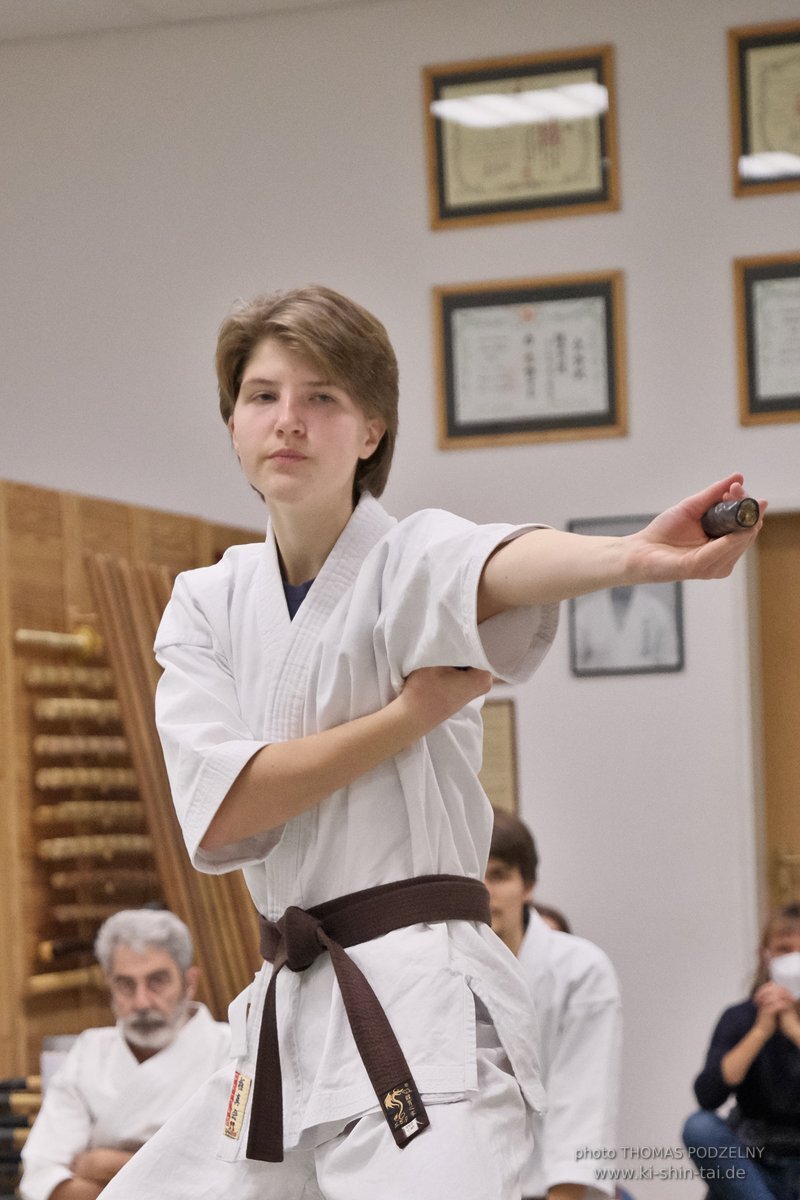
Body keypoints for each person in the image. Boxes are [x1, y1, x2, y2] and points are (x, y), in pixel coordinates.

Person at [100, 284, 763, 1200]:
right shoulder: (205, 603)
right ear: (232, 424)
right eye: (263, 396)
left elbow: (490, 563)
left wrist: (630, 558)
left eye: (321, 397)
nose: (288, 421)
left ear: (371, 430)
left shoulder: (406, 557)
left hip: (420, 1006)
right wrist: (405, 718)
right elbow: (228, 808)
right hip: (287, 1011)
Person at [19, 908, 231, 1200]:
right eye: (126, 984)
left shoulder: (231, 1051)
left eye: (157, 980)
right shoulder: (90, 1052)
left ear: (189, 982)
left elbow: (228, 1178)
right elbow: (44, 1177)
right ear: (110, 984)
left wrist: (104, 1163)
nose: (142, 1001)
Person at [486, 808, 622, 1200]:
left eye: (499, 875)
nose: (484, 889)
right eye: (470, 874)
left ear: (528, 885)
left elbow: (583, 1103)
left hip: (550, 1187)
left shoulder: (580, 970)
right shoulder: (433, 968)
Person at [682, 903, 800, 1200]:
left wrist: (793, 1031)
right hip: (754, 1165)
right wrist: (760, 1031)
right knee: (700, 1128)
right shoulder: (740, 1017)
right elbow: (708, 1096)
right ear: (766, 955)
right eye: (785, 949)